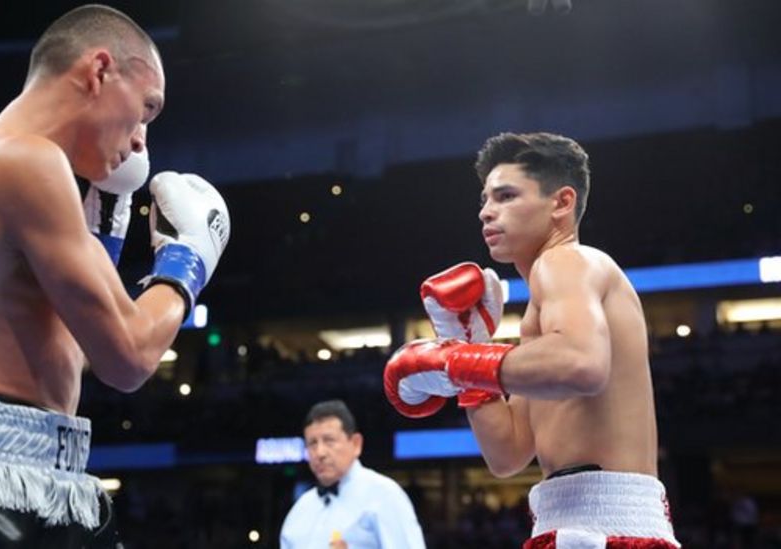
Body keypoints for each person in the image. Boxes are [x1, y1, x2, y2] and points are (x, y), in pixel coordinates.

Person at [0, 4, 230, 548]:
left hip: (49, 477)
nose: (140, 142)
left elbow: (79, 354)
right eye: (145, 110)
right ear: (98, 70)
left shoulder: (31, 171)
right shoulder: (20, 161)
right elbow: (128, 357)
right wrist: (187, 263)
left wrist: (104, 236)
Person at [383, 132, 680, 548]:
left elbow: (581, 362)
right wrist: (467, 354)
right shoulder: (543, 319)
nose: (487, 212)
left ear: (561, 202)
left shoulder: (567, 261)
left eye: (505, 196)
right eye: (484, 200)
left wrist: (457, 361)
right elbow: (508, 453)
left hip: (606, 526)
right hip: (571, 521)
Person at [280, 400, 426, 549]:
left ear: (356, 444)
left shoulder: (385, 495)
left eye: (329, 441)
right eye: (312, 443)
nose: (320, 453)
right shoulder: (300, 510)